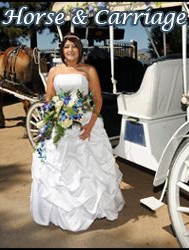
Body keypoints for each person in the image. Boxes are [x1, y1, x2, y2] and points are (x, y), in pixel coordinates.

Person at [30, 32, 125, 232]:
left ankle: (94, 207)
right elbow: (49, 101)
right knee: (59, 168)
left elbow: (97, 99)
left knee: (89, 168)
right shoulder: (54, 71)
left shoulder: (89, 69)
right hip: (60, 122)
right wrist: (47, 125)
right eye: (67, 47)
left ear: (79, 50)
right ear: (62, 50)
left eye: (74, 46)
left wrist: (90, 125)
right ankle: (59, 211)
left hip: (84, 120)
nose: (70, 50)